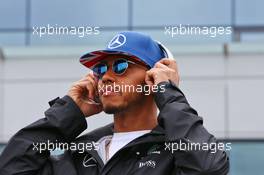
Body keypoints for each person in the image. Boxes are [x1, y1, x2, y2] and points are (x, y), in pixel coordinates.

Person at [0, 31, 229, 175]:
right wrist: (68, 111)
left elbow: (208, 168)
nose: (106, 76)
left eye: (121, 66)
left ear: (154, 76)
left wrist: (168, 92)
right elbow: (10, 168)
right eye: (100, 69)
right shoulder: (75, 153)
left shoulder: (174, 153)